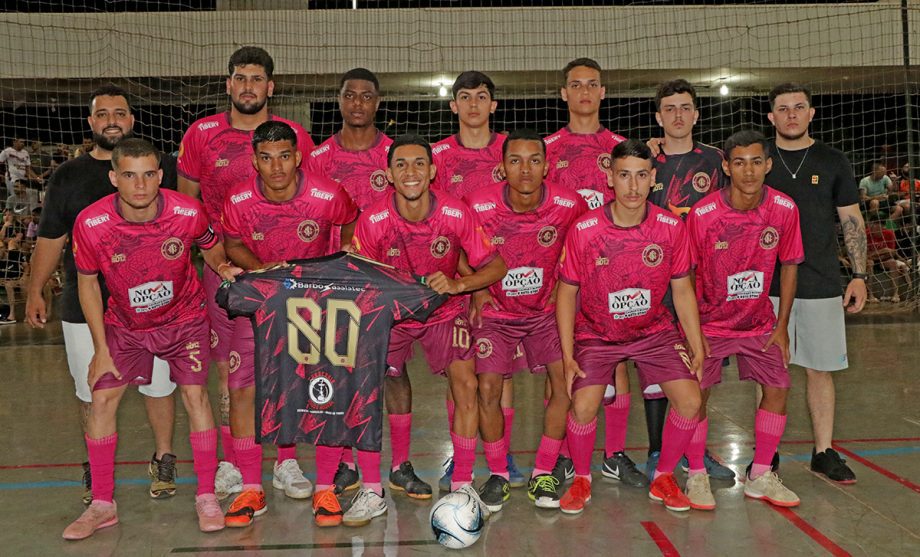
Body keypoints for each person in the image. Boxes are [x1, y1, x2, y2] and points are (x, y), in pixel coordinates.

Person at [63, 138, 241, 540]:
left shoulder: (187, 211)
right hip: (125, 327)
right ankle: (103, 504)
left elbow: (211, 248)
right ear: (114, 178)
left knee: (196, 397)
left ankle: (207, 495)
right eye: (129, 175)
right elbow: (87, 286)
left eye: (148, 175)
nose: (140, 185)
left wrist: (223, 267)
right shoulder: (91, 224)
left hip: (185, 320)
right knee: (102, 397)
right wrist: (101, 349)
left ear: (160, 176)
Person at [26, 84, 180, 504]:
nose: (112, 119)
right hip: (83, 305)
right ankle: (98, 469)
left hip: (154, 306)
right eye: (103, 113)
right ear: (91, 122)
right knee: (91, 391)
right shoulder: (68, 176)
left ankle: (164, 458)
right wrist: (35, 289)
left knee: (160, 388)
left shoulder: (161, 165)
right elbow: (51, 239)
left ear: (131, 120)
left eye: (120, 113)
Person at [177, 46, 316, 506]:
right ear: (229, 83)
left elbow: (311, 198)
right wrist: (213, 262)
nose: (248, 86)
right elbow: (188, 208)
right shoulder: (202, 135)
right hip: (227, 274)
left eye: (257, 79)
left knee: (289, 365)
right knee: (229, 371)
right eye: (240, 78)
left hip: (287, 277)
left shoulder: (295, 135)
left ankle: (287, 461)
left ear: (270, 87)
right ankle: (234, 463)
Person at [352, 133, 507, 515]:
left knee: (466, 382)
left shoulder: (455, 212)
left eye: (419, 163)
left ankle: (462, 485)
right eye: (401, 164)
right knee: (374, 382)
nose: (410, 172)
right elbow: (358, 278)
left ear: (433, 170)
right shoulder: (373, 220)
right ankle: (377, 485)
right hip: (391, 315)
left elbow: (496, 265)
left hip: (443, 312)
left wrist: (460, 285)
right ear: (388, 174)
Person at [220, 120, 359, 525]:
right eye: (266, 158)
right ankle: (250, 487)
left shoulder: (327, 194)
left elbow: (351, 223)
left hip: (316, 307)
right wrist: (262, 269)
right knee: (243, 388)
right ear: (254, 162)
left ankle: (325, 490)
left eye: (284, 156)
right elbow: (231, 243)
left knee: (323, 389)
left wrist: (340, 260)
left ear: (298, 157)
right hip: (260, 302)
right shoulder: (238, 199)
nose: (277, 166)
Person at [555, 139, 704, 515]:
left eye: (641, 176)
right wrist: (568, 353)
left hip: (653, 332)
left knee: (690, 400)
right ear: (610, 178)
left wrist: (696, 341)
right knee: (584, 405)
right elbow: (566, 293)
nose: (633, 186)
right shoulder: (585, 230)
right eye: (624, 176)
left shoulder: (670, 227)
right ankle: (582, 481)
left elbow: (683, 289)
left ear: (653, 179)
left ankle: (665, 477)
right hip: (597, 334)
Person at [465, 129, 587, 510]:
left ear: (547, 166)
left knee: (564, 383)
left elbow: (585, 246)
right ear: (502, 168)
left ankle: (543, 473)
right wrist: (478, 289)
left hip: (545, 313)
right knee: (487, 389)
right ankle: (499, 474)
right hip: (497, 313)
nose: (525, 169)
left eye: (534, 160)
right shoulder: (478, 204)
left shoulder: (570, 204)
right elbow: (455, 245)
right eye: (515, 160)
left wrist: (566, 287)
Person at [687, 129, 803, 508]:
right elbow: (685, 276)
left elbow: (788, 267)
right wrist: (693, 331)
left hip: (758, 323)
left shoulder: (784, 209)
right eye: (739, 162)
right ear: (726, 167)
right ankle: (696, 475)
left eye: (756, 162)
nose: (748, 171)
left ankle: (761, 475)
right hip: (710, 324)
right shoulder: (704, 214)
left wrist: (782, 326)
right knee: (695, 398)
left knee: (779, 388)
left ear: (768, 165)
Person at [431, 71, 526, 491]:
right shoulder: (436, 157)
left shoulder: (511, 152)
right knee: (462, 376)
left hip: (508, 280)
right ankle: (461, 457)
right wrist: (470, 283)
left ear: (494, 105)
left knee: (501, 376)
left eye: (481, 96)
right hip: (458, 284)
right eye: (464, 97)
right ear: (453, 106)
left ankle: (501, 458)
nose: (473, 104)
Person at [766, 83, 866, 483]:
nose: (791, 114)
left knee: (819, 370)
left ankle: (823, 451)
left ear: (811, 113)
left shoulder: (833, 160)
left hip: (822, 281)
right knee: (769, 371)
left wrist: (858, 275)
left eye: (799, 107)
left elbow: (851, 220)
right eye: (783, 109)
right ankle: (766, 451)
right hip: (766, 284)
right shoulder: (758, 160)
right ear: (771, 117)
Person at [305, 68, 395, 494]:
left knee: (386, 376)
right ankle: (341, 464)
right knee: (336, 375)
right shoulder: (318, 160)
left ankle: (398, 464)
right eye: (350, 95)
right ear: (339, 100)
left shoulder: (396, 155)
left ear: (378, 102)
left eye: (366, 96)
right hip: (333, 287)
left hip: (382, 286)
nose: (358, 103)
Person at [642, 79, 733, 482]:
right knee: (656, 374)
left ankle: (694, 449)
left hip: (705, 284)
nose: (677, 116)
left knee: (702, 368)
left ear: (696, 114)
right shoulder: (644, 160)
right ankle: (657, 450)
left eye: (685, 108)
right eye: (670, 108)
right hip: (653, 282)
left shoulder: (717, 161)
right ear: (658, 116)